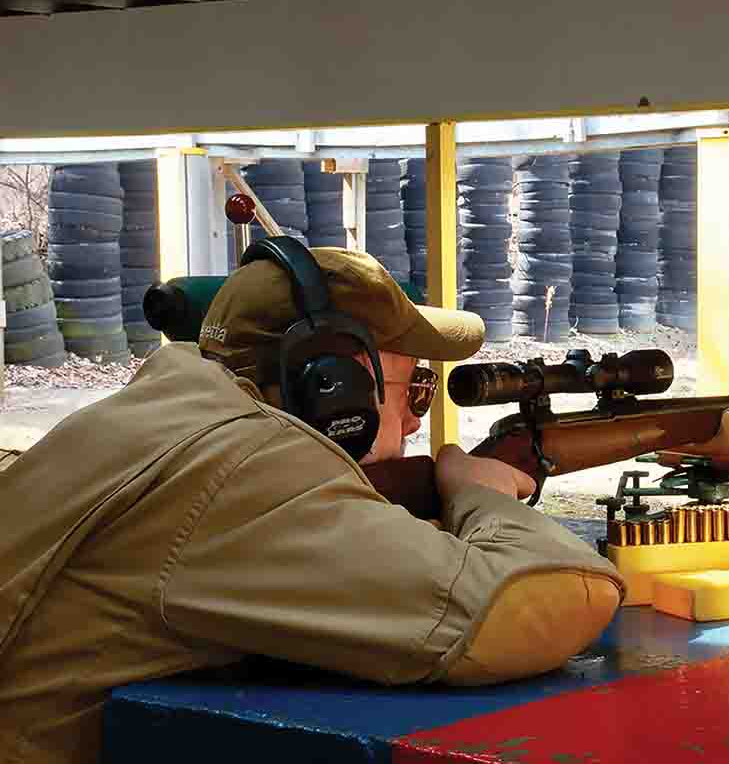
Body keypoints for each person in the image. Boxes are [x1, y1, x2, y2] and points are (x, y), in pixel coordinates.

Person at [0, 242, 625, 764]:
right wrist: (482, 496)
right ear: (335, 385)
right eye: (419, 390)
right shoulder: (250, 467)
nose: (413, 425)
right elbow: (529, 608)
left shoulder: (161, 415)